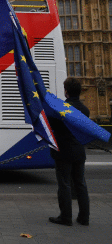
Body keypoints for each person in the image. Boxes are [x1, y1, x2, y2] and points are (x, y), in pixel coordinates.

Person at [48, 77, 90, 226]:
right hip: (79, 151)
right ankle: (84, 218)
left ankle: (65, 217)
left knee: (64, 184)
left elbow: (52, 126)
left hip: (63, 152)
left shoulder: (62, 109)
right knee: (80, 184)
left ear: (66, 92)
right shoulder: (85, 110)